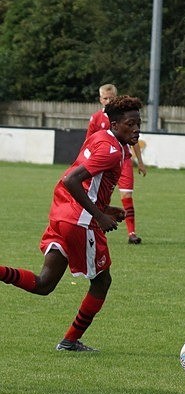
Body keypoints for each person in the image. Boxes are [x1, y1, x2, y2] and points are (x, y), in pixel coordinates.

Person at [1, 96, 143, 351]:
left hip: (62, 213)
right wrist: (99, 216)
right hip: (80, 221)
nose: (135, 129)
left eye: (138, 124)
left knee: (44, 284)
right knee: (102, 282)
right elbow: (72, 180)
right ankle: (70, 340)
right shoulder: (111, 151)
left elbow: (85, 184)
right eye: (130, 124)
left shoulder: (102, 138)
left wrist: (105, 208)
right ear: (114, 124)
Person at [87, 84, 148, 244]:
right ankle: (94, 225)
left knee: (127, 195)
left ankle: (132, 233)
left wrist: (140, 162)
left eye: (111, 98)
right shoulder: (96, 118)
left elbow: (133, 140)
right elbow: (89, 142)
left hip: (124, 160)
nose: (108, 101)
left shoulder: (125, 118)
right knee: (97, 196)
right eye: (105, 98)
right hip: (103, 163)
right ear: (101, 99)